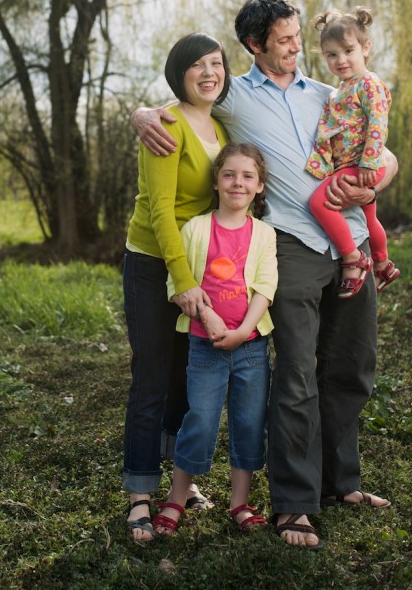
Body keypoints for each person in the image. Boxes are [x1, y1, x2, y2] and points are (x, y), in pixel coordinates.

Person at [132, 0, 397, 550]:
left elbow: (383, 152)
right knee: (297, 374)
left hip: (347, 240)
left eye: (298, 36)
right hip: (295, 247)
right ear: (255, 45)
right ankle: (295, 506)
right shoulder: (234, 97)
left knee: (351, 368)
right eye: (283, 39)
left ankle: (340, 484)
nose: (296, 47)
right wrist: (142, 113)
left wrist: (380, 178)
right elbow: (187, 100)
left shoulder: (331, 93)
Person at [122, 32, 232, 542]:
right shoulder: (166, 124)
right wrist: (181, 281)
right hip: (153, 265)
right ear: (179, 73)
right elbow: (162, 212)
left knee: (188, 381)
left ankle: (179, 485)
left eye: (217, 63)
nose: (209, 73)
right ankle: (140, 496)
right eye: (197, 65)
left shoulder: (223, 129)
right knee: (152, 377)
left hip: (199, 268)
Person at [150, 143, 278, 536]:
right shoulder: (196, 229)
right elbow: (179, 283)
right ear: (216, 182)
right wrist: (207, 316)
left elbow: (266, 287)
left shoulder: (265, 233)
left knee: (249, 421)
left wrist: (243, 332)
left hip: (252, 347)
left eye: (247, 176)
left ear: (259, 187)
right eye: (229, 174)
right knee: (200, 419)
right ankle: (176, 498)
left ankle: (240, 502)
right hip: (204, 345)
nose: (237, 182)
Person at [306, 7, 400, 298]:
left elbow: (377, 123)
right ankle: (383, 262)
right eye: (332, 55)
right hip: (352, 164)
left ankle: (353, 258)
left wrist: (370, 162)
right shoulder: (341, 89)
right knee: (369, 218)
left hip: (363, 164)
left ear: (365, 47)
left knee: (320, 203)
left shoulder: (368, 83)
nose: (341, 60)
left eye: (348, 50)